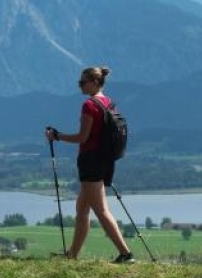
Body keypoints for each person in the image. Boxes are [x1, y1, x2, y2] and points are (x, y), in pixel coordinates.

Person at [45, 66, 134, 263]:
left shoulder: (89, 105)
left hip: (90, 162)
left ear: (94, 82)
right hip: (105, 161)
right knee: (82, 209)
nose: (79, 85)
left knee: (101, 210)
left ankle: (125, 253)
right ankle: (72, 255)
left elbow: (82, 137)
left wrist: (56, 136)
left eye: (82, 82)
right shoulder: (108, 102)